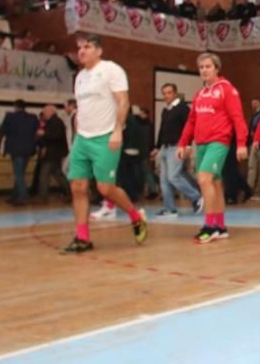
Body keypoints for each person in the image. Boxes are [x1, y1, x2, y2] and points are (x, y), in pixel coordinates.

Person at [62, 34, 148, 253]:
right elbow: (81, 108)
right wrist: (77, 137)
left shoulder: (112, 70)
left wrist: (118, 130)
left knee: (105, 188)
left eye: (87, 46)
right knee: (77, 187)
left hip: (106, 136)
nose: (82, 51)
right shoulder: (80, 77)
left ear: (99, 51)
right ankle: (82, 238)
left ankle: (135, 217)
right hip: (83, 138)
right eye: (79, 47)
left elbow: (123, 101)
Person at [177, 52, 248, 244]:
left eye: (208, 66)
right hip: (201, 143)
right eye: (201, 67)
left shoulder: (227, 89)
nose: (204, 70)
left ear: (217, 68)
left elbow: (237, 118)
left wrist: (241, 143)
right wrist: (183, 143)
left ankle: (209, 226)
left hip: (219, 141)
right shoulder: (200, 94)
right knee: (215, 183)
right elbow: (191, 121)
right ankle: (220, 226)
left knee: (203, 178)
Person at [152, 84, 202, 218]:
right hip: (165, 148)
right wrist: (157, 147)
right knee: (164, 180)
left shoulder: (183, 108)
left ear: (175, 93)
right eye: (164, 93)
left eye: (169, 93)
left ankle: (196, 197)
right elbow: (162, 130)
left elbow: (190, 126)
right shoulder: (166, 110)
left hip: (177, 147)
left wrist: (188, 146)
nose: (166, 96)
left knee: (173, 176)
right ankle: (170, 209)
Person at [0, 99, 39, 206]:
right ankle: (15, 196)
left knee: (18, 174)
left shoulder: (10, 117)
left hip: (15, 149)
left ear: (15, 107)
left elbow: (1, 132)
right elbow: (37, 133)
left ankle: (23, 197)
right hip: (28, 150)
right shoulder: (33, 118)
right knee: (20, 173)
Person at [36, 104, 70, 202]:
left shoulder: (55, 122)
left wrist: (44, 134)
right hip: (55, 153)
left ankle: (42, 198)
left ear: (51, 112)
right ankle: (71, 192)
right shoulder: (53, 122)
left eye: (45, 111)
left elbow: (56, 136)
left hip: (52, 153)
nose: (44, 113)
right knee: (58, 174)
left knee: (44, 174)